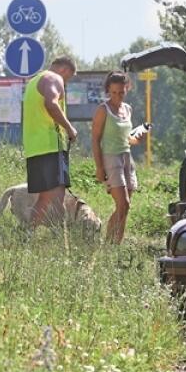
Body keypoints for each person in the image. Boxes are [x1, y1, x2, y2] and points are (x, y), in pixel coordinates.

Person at [23, 56, 78, 230]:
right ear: (64, 70)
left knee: (45, 198)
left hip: (34, 148)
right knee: (57, 196)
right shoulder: (54, 78)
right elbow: (51, 104)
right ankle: (62, 239)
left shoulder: (33, 82)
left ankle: (27, 235)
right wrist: (69, 129)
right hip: (51, 145)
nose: (65, 83)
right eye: (67, 78)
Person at [91, 71, 144, 244]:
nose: (117, 96)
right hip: (110, 158)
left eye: (121, 92)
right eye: (113, 92)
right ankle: (108, 244)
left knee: (125, 208)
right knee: (123, 204)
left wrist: (137, 139)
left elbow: (128, 138)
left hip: (127, 159)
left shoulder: (128, 109)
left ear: (126, 89)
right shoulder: (103, 110)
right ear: (108, 90)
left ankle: (115, 246)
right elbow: (95, 139)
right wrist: (99, 168)